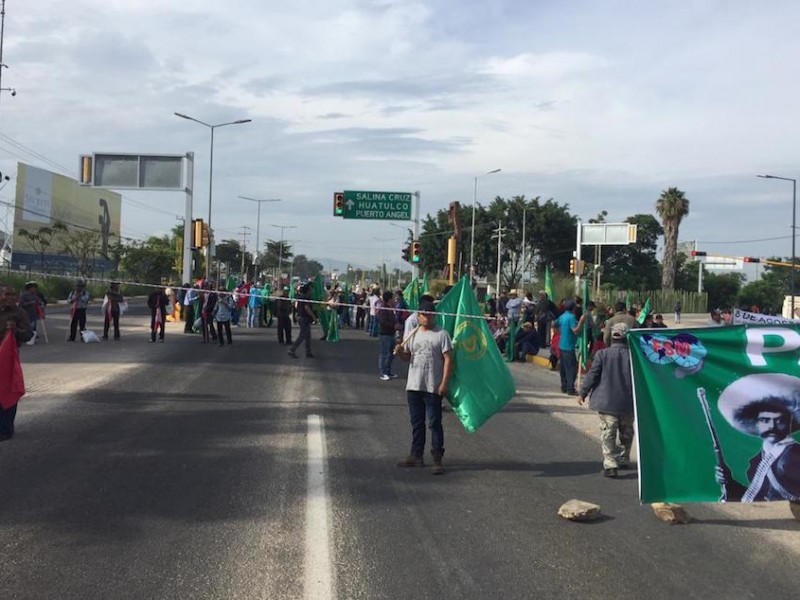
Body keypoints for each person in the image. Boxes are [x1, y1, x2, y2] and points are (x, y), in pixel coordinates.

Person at [714, 374, 800, 502]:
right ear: (756, 423)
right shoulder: (758, 460)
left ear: (789, 422)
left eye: (779, 420)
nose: (772, 426)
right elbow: (758, 499)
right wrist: (729, 482)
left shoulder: (794, 456)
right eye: (765, 420)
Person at [394, 299, 453, 475]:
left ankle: (437, 458)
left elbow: (449, 359)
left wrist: (444, 383)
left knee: (435, 423)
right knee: (417, 423)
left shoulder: (442, 334)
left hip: (433, 387)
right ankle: (416, 456)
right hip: (414, 385)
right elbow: (407, 357)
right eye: (424, 314)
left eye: (430, 314)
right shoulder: (413, 334)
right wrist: (399, 353)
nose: (427, 317)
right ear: (418, 316)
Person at [578, 322, 635, 477]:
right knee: (627, 433)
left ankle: (610, 464)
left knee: (608, 433)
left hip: (607, 402)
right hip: (628, 403)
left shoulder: (602, 354)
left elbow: (592, 375)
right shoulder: (635, 356)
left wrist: (583, 392)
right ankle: (623, 458)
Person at [0, 284, 34, 441]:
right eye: (7, 294)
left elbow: (28, 335)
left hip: (8, 359)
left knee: (8, 392)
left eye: (13, 295)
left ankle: (6, 429)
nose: (10, 298)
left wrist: (15, 331)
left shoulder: (19, 313)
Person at [554, 300, 588, 395]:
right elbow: (575, 331)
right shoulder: (571, 317)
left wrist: (559, 332)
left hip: (562, 345)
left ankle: (564, 387)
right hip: (569, 347)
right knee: (571, 369)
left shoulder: (562, 316)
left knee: (564, 368)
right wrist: (581, 321)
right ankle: (570, 389)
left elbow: (554, 324)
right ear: (573, 308)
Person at [288, 283, 316, 358]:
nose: (311, 291)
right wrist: (314, 317)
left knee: (308, 336)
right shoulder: (304, 298)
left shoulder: (300, 297)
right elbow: (307, 308)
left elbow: (295, 305)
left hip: (301, 317)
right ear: (307, 290)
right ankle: (292, 349)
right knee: (302, 335)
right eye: (310, 290)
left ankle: (308, 352)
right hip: (303, 318)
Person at [378, 290, 398, 380]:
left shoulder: (391, 308)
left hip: (392, 334)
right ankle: (383, 373)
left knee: (391, 354)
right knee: (384, 354)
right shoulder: (383, 309)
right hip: (385, 335)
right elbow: (382, 322)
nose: (394, 300)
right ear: (389, 299)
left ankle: (388, 371)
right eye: (393, 298)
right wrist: (393, 325)